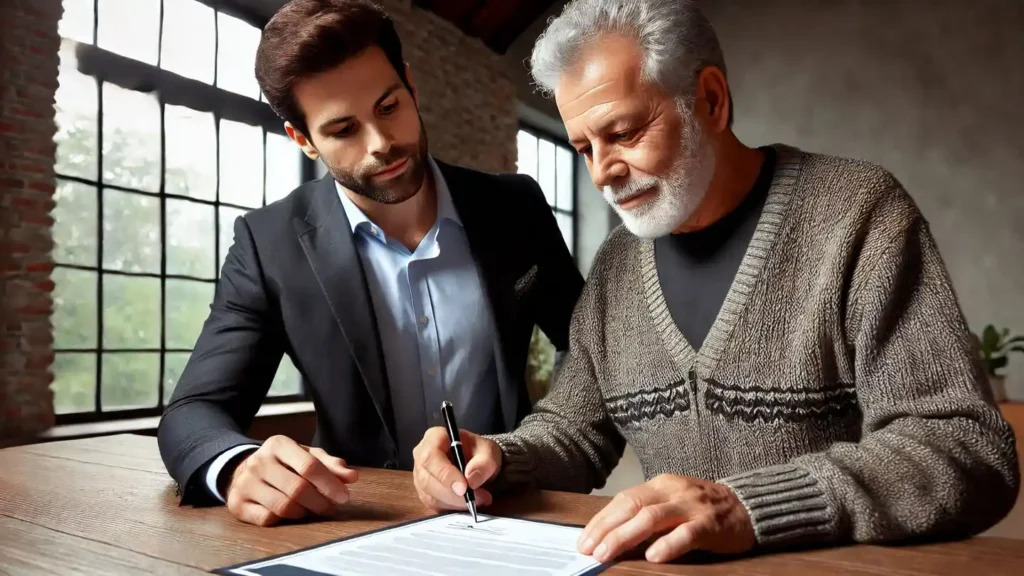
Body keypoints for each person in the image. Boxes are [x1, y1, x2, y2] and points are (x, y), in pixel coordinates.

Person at [411, 0, 1020, 564]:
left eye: (623, 132)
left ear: (710, 100)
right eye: (582, 147)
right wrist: (497, 457)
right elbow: (574, 431)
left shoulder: (858, 216)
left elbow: (966, 450)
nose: (602, 172)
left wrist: (751, 507)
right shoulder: (616, 265)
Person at [157, 0, 583, 527]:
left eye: (388, 107)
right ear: (303, 140)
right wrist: (238, 466)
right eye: (342, 130)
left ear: (409, 84)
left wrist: (532, 446)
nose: (382, 144)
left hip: (511, 510)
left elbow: (588, 347)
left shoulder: (514, 207)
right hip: (353, 521)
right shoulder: (268, 244)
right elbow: (192, 413)